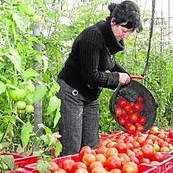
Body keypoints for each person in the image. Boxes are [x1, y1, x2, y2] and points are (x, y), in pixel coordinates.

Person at [57, 0, 143, 156]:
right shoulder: (93, 36)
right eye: (124, 30)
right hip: (72, 92)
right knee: (72, 146)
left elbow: (107, 61)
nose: (126, 35)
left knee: (91, 147)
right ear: (113, 21)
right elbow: (91, 75)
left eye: (129, 32)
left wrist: (125, 74)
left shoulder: (110, 38)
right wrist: (117, 78)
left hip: (91, 94)